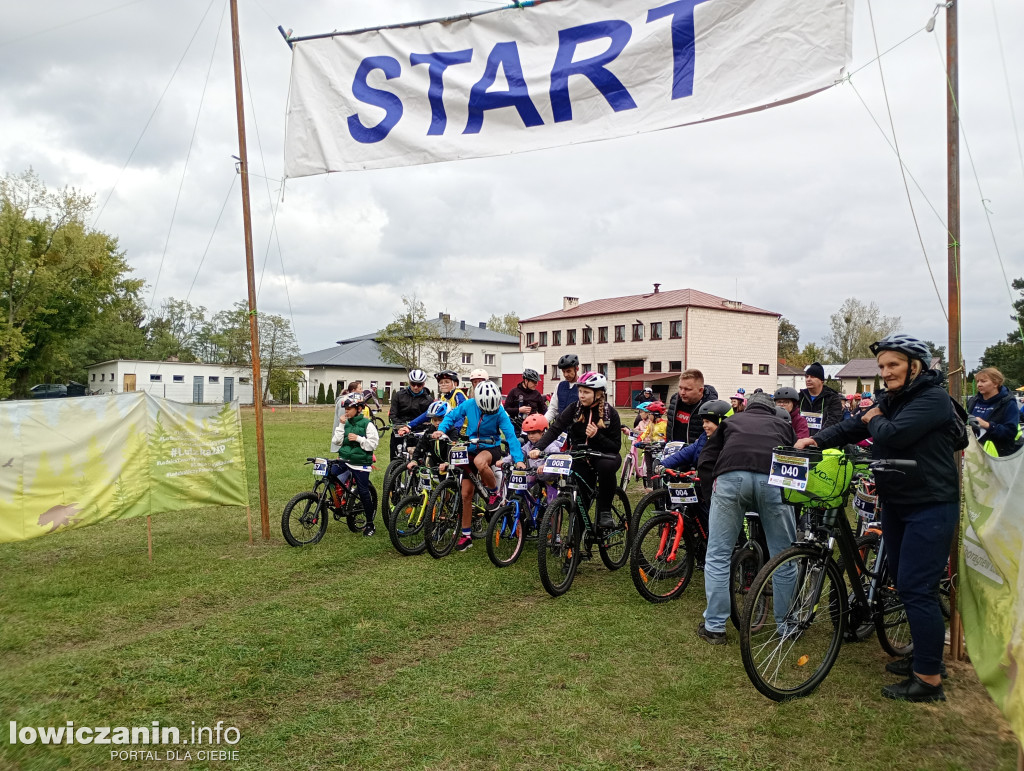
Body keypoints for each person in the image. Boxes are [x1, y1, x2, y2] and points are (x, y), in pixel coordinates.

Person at [796, 334, 959, 702]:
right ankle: (924, 655)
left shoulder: (932, 399)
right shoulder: (891, 399)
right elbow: (856, 424)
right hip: (898, 501)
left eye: (893, 365)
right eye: (882, 366)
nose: (886, 372)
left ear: (914, 366)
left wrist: (875, 418)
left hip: (930, 504)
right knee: (905, 584)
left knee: (918, 587)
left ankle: (929, 680)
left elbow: (895, 435)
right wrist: (818, 440)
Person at [696, 391, 797, 645]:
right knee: (784, 556)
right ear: (771, 411)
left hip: (730, 479)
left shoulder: (731, 422)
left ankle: (715, 626)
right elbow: (795, 462)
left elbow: (706, 459)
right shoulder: (782, 425)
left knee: (718, 554)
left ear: (746, 408)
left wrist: (712, 496)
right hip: (773, 481)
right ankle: (787, 626)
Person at [434, 380, 525, 552]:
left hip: (491, 448)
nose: (488, 412)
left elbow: (511, 436)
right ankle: (466, 536)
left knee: (479, 463)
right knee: (466, 494)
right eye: (485, 410)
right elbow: (452, 416)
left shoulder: (500, 412)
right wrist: (442, 429)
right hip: (471, 447)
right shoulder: (469, 404)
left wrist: (518, 459)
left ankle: (494, 494)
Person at [530, 371, 622, 530]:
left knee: (605, 467)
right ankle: (578, 542)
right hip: (580, 455)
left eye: (586, 392)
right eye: (580, 391)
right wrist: (538, 447)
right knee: (580, 502)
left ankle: (605, 512)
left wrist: (597, 435)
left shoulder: (610, 413)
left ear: (598, 393)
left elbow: (615, 446)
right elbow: (555, 429)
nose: (581, 395)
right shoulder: (574, 409)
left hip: (604, 455)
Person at [660, 399, 732, 534]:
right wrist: (664, 463)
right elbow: (687, 453)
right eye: (703, 422)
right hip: (700, 483)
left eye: (708, 422)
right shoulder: (704, 438)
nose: (704, 426)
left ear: (721, 422)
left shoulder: (728, 442)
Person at [331, 392, 380, 537]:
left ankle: (370, 524)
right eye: (345, 408)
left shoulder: (367, 424)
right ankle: (339, 500)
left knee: (364, 492)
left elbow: (373, 444)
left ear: (359, 409)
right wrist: (341, 425)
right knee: (330, 474)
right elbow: (337, 441)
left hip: (360, 463)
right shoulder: (345, 423)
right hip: (345, 460)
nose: (346, 411)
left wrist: (359, 439)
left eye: (349, 408)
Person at [967, 367, 1022, 457]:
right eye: (978, 381)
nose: (979, 385)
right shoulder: (973, 401)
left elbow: (1010, 432)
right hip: (974, 455)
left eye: (983, 381)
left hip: (999, 457)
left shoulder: (1008, 403)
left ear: (996, 383)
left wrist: (987, 425)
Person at [399, 370, 467, 437]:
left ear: (455, 384)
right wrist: (410, 425)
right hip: (449, 430)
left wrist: (455, 431)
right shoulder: (444, 397)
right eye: (441, 382)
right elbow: (429, 413)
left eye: (447, 382)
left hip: (463, 433)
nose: (443, 384)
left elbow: (461, 415)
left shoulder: (458, 395)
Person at [387, 369, 433, 459]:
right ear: (409, 382)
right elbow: (393, 414)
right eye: (413, 384)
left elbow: (427, 417)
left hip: (418, 431)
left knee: (418, 458)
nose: (415, 387)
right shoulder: (399, 395)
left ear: (423, 384)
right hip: (400, 429)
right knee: (395, 457)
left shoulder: (428, 400)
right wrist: (402, 426)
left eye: (419, 385)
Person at [666, 369, 719, 445]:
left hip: (696, 454)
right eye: (680, 388)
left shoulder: (711, 408)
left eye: (687, 389)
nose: (682, 393)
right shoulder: (675, 400)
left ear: (700, 390)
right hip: (673, 452)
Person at [521, 414, 565, 503]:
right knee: (522, 484)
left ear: (543, 432)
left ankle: (554, 515)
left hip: (550, 477)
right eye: (528, 433)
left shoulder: (551, 445)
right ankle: (526, 507)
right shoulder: (529, 445)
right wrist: (507, 460)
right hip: (534, 473)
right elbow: (520, 453)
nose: (530, 436)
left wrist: (545, 465)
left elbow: (556, 456)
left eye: (533, 433)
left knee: (552, 502)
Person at [797, 362, 843, 436]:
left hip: (822, 441)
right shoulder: (799, 397)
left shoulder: (832, 398)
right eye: (807, 376)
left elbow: (833, 422)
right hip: (800, 440)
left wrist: (816, 438)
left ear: (822, 380)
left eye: (812, 377)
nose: (808, 379)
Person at [545, 354, 581, 421]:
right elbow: (553, 409)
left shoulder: (583, 386)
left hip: (576, 428)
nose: (565, 375)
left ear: (577, 369)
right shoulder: (559, 386)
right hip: (560, 428)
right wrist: (543, 422)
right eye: (563, 372)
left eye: (568, 371)